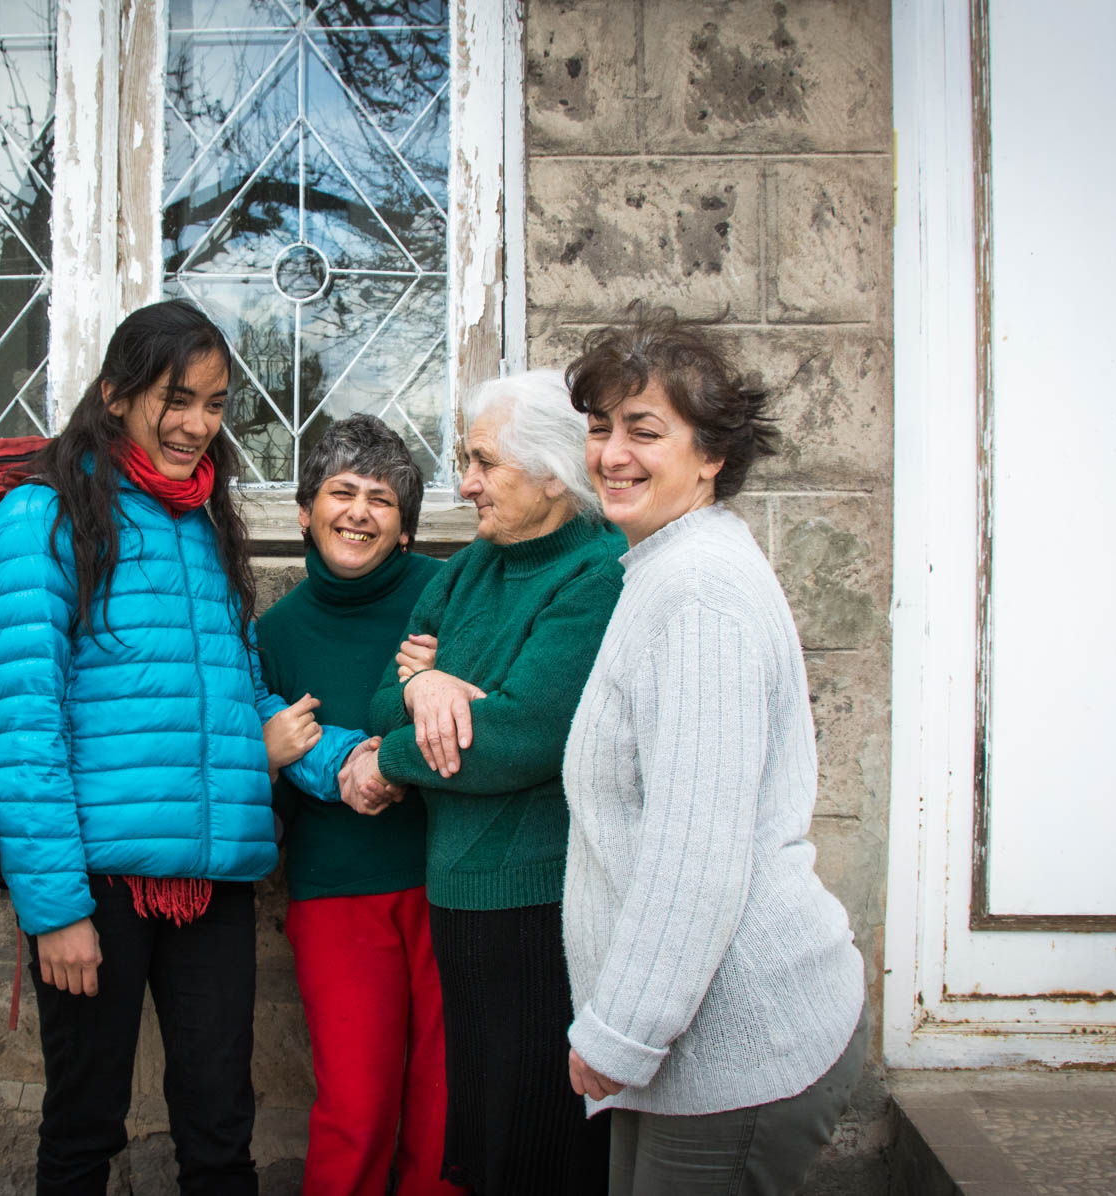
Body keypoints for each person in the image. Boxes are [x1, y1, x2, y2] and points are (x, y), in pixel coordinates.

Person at [0, 298, 348, 1196]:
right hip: (98, 886)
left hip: (210, 878)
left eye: (215, 404)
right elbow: (24, 729)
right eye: (175, 399)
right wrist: (55, 909)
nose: (195, 426)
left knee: (221, 1129)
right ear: (115, 393)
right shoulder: (41, 520)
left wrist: (342, 761)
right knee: (85, 1127)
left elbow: (238, 697)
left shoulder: (204, 524)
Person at [559, 307, 866, 1196]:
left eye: (644, 431)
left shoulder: (696, 594)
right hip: (687, 1049)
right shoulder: (664, 565)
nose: (612, 453)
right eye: (600, 428)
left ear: (712, 454)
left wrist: (621, 1030)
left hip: (743, 1038)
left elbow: (696, 851)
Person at [347, 370, 624, 1196]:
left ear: (550, 471)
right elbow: (378, 698)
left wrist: (385, 757)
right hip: (461, 897)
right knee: (487, 1138)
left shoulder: (596, 574)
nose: (463, 482)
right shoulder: (467, 570)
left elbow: (521, 737)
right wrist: (428, 690)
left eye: (482, 462)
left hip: (541, 903)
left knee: (543, 1143)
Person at [253, 414, 463, 1196]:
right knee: (358, 1107)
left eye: (381, 499)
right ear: (305, 511)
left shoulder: (450, 594)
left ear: (404, 528)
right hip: (337, 890)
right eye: (341, 492)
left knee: (448, 1108)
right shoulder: (272, 633)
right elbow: (259, 755)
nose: (359, 512)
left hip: (451, 881)